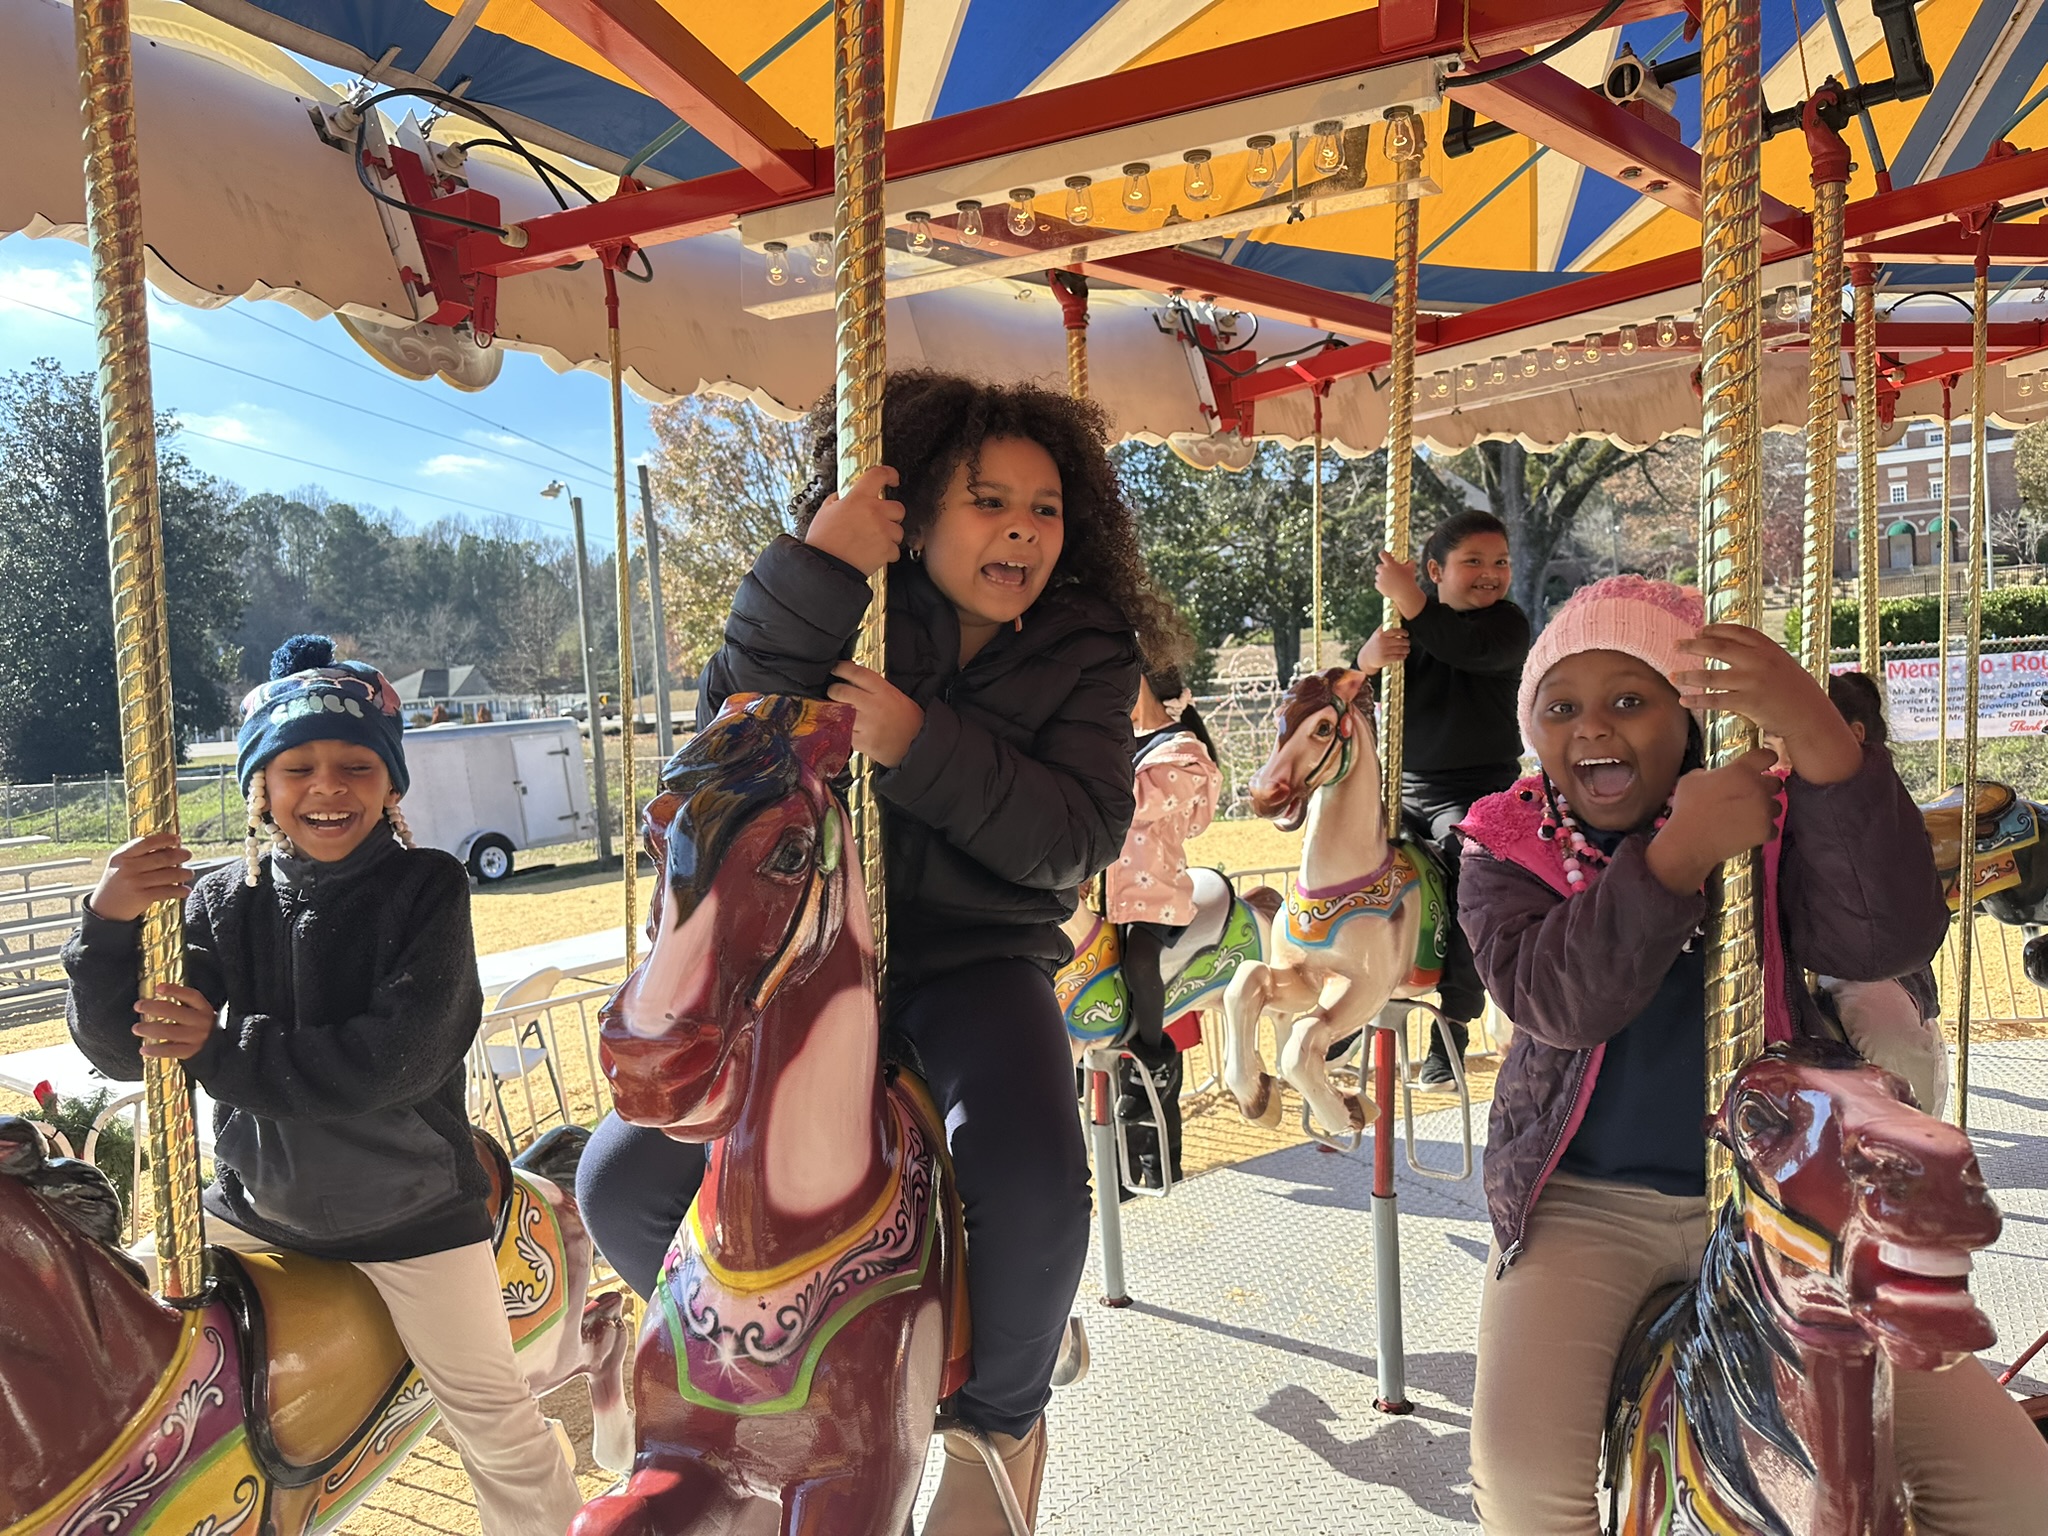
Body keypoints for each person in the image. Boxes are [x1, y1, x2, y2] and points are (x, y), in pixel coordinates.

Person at [576, 370, 1175, 1533]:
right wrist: (818, 569)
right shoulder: (853, 610)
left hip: (972, 959)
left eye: (1044, 508)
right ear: (914, 512)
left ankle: (997, 1419)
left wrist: (914, 741)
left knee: (1030, 1179)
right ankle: (741, 1364)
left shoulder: (1085, 649)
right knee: (621, 1178)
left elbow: (1076, 835)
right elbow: (732, 727)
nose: (1020, 529)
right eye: (986, 500)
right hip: (802, 966)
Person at [1456, 576, 2047, 1533]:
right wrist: (1674, 861)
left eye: (1630, 700)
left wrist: (1821, 743)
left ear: (1691, 720)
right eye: (1561, 708)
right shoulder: (1506, 848)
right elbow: (1559, 1003)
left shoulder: (1771, 823)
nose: (1592, 726)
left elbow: (1883, 939)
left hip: (1793, 1201)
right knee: (1525, 1486)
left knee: (2013, 1489)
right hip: (1586, 1205)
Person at [63, 635, 583, 1536]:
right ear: (261, 788)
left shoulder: (426, 889)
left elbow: (400, 1056)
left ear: (391, 786)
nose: (327, 787)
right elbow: (127, 1049)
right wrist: (108, 926)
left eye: (355, 766)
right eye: (297, 768)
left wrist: (219, 1053)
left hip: (411, 1219)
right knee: (103, 1347)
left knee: (494, 1424)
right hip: (251, 1205)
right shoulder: (223, 901)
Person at [1355, 510, 1529, 1083]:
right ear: (1436, 570)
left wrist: (1409, 599)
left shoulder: (1505, 625)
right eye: (1473, 561)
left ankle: (1454, 1020)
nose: (1490, 573)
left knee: (1468, 875)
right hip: (1404, 788)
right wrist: (1367, 662)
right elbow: (1355, 689)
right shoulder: (1411, 628)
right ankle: (1346, 991)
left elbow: (1464, 648)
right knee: (1346, 863)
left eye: (1500, 561)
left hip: (1478, 794)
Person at [1105, 662, 1221, 1192]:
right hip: (1103, 898)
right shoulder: (1116, 741)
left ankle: (1152, 1059)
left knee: (1140, 962)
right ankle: (1120, 1172)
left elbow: (1130, 803)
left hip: (1153, 896)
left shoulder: (1182, 753)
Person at [1815, 669, 1948, 1116]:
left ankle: (1911, 1130)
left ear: (1853, 735)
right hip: (1796, 956)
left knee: (1883, 1027)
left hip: (1868, 963)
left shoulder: (1878, 804)